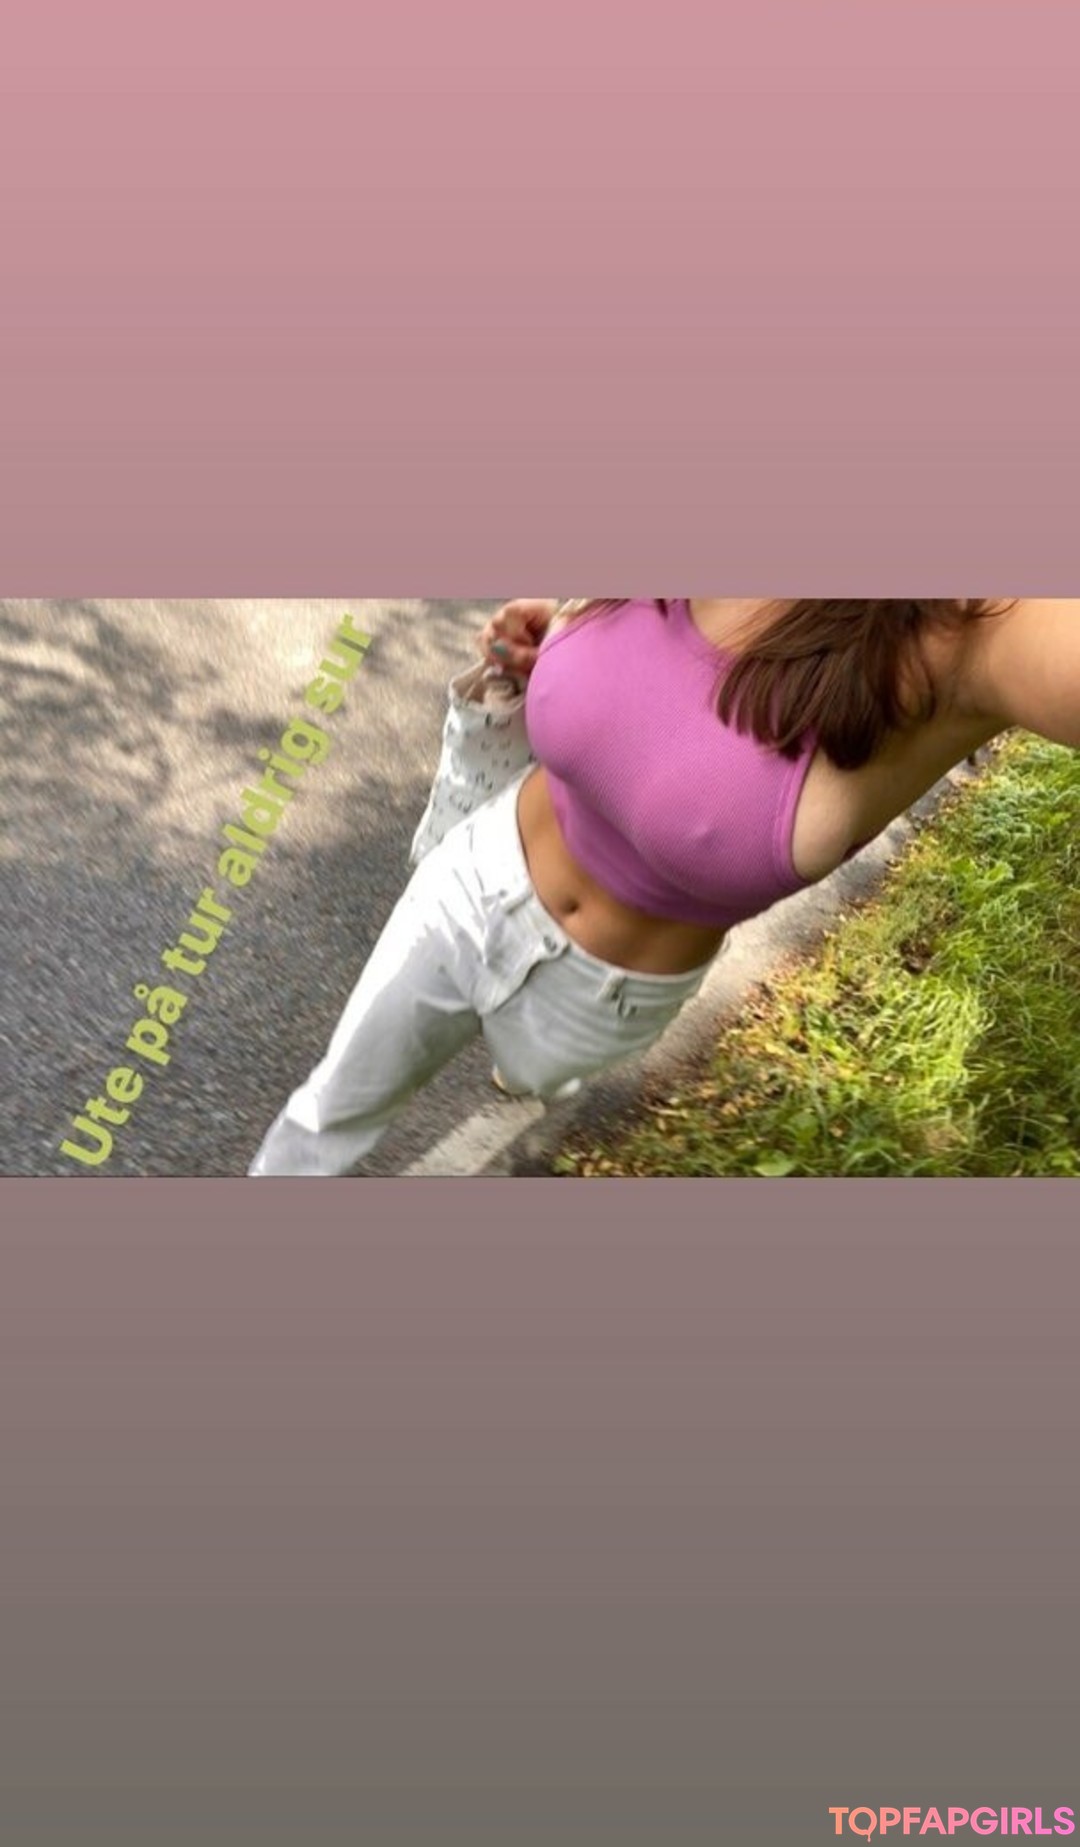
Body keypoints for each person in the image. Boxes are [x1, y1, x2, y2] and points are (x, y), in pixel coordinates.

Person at [247, 596, 1079, 1177]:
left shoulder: (974, 628)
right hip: (475, 880)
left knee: (535, 1074)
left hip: (604, 1001)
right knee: (327, 1113)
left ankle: (527, 1075)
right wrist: (561, 640)